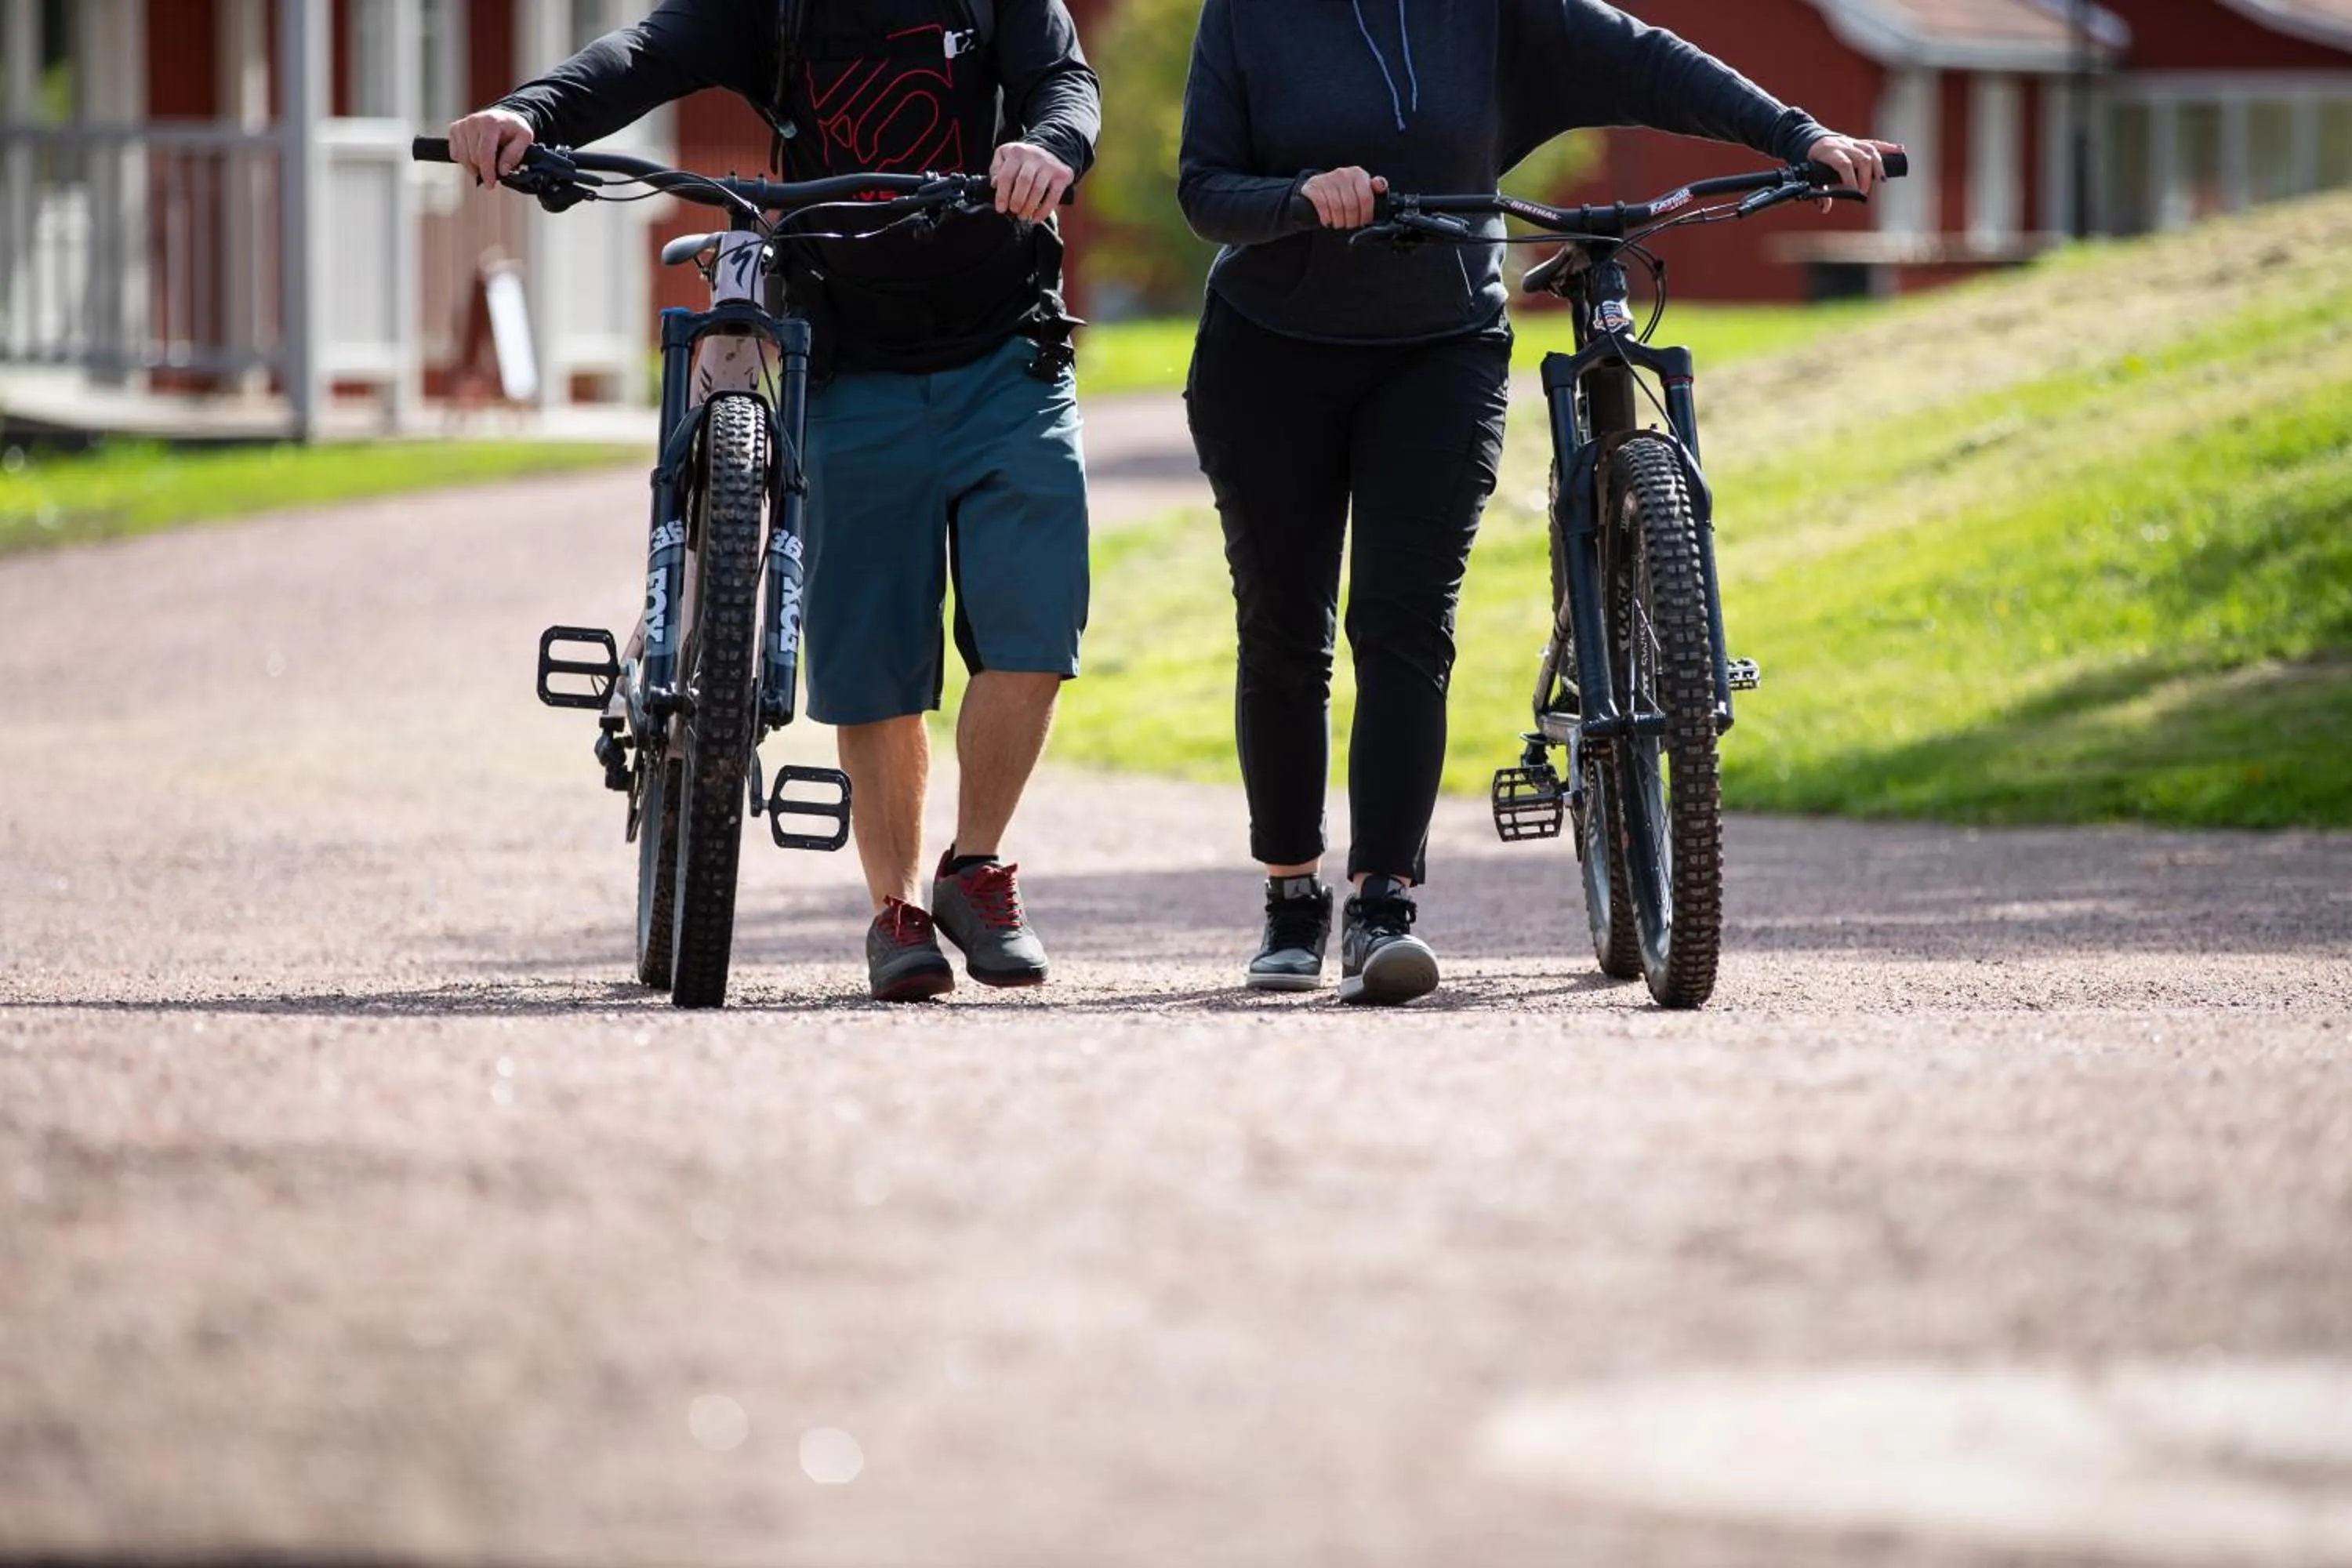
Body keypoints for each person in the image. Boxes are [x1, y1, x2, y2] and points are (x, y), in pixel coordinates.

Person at [1177, 0, 1896, 1006]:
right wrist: (1301, 196)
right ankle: (1293, 897)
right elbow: (1204, 190)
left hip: (1439, 349)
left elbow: (1650, 62)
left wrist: (1798, 133)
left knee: (1405, 622)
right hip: (1269, 354)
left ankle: (1383, 903)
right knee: (1289, 631)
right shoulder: (1253, 17)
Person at [449, 0, 1099, 1003]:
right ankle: (897, 913)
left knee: (1034, 625)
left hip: (1005, 349)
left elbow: (1064, 81)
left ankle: (974, 867)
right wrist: (529, 112)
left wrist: (1047, 144)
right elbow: (638, 57)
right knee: (873, 655)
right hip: (849, 361)